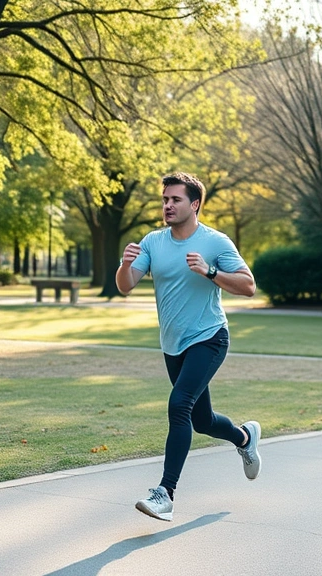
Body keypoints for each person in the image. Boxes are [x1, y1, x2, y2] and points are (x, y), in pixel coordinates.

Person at [116, 172, 261, 522]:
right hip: (173, 345)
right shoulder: (152, 242)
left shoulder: (215, 242)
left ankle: (165, 493)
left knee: (179, 404)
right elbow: (125, 286)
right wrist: (124, 264)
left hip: (209, 337)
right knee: (202, 420)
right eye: (165, 199)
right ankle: (244, 437)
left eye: (175, 199)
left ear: (194, 204)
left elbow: (248, 286)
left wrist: (210, 272)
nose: (167, 205)